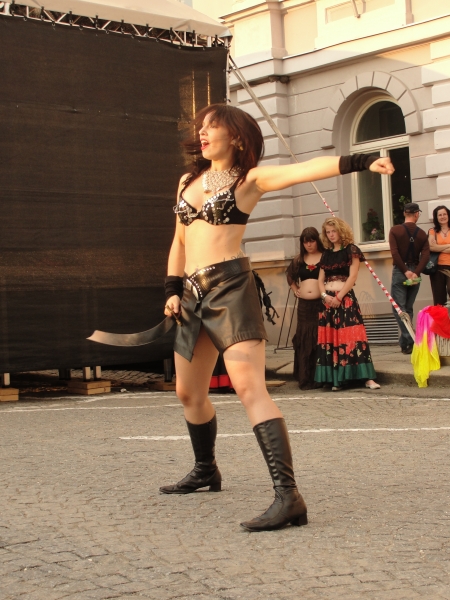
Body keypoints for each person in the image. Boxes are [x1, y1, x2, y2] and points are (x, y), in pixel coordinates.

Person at [162, 103, 394, 532]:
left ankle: (289, 497)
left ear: (237, 136)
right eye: (202, 126)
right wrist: (172, 290)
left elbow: (302, 170)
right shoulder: (187, 181)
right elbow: (179, 240)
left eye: (213, 126)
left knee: (249, 387)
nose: (203, 132)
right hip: (191, 295)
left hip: (230, 290)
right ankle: (206, 469)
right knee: (187, 392)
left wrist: (361, 161)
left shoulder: (249, 180)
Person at [314, 217, 380, 391]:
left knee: (353, 337)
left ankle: (367, 378)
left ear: (341, 231)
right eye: (328, 232)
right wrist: (324, 296)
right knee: (331, 339)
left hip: (345, 300)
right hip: (327, 302)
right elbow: (320, 280)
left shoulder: (352, 250)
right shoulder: (326, 254)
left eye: (333, 231)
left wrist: (339, 297)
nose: (331, 235)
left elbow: (353, 277)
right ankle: (336, 379)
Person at [388, 202, 430, 354]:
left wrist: (405, 271)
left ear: (404, 213)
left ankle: (411, 339)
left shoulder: (395, 230)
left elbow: (395, 253)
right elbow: (426, 256)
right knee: (408, 307)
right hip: (415, 272)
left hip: (401, 272)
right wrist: (416, 272)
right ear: (417, 214)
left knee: (399, 308)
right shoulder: (422, 234)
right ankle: (406, 344)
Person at [286, 227, 324, 390]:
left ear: (317, 241)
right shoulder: (299, 259)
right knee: (305, 339)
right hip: (304, 306)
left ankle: (319, 377)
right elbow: (289, 275)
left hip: (321, 304)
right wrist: (295, 289)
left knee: (318, 338)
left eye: (312, 241)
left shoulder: (325, 256)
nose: (309, 245)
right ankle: (305, 377)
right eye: (305, 242)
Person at [428, 205, 450, 306]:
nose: (442, 217)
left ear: (448, 215)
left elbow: (435, 247)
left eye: (444, 214)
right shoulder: (432, 231)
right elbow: (431, 247)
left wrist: (438, 247)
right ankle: (441, 317)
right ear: (436, 217)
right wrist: (448, 246)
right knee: (439, 300)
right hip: (437, 268)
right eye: (440, 215)